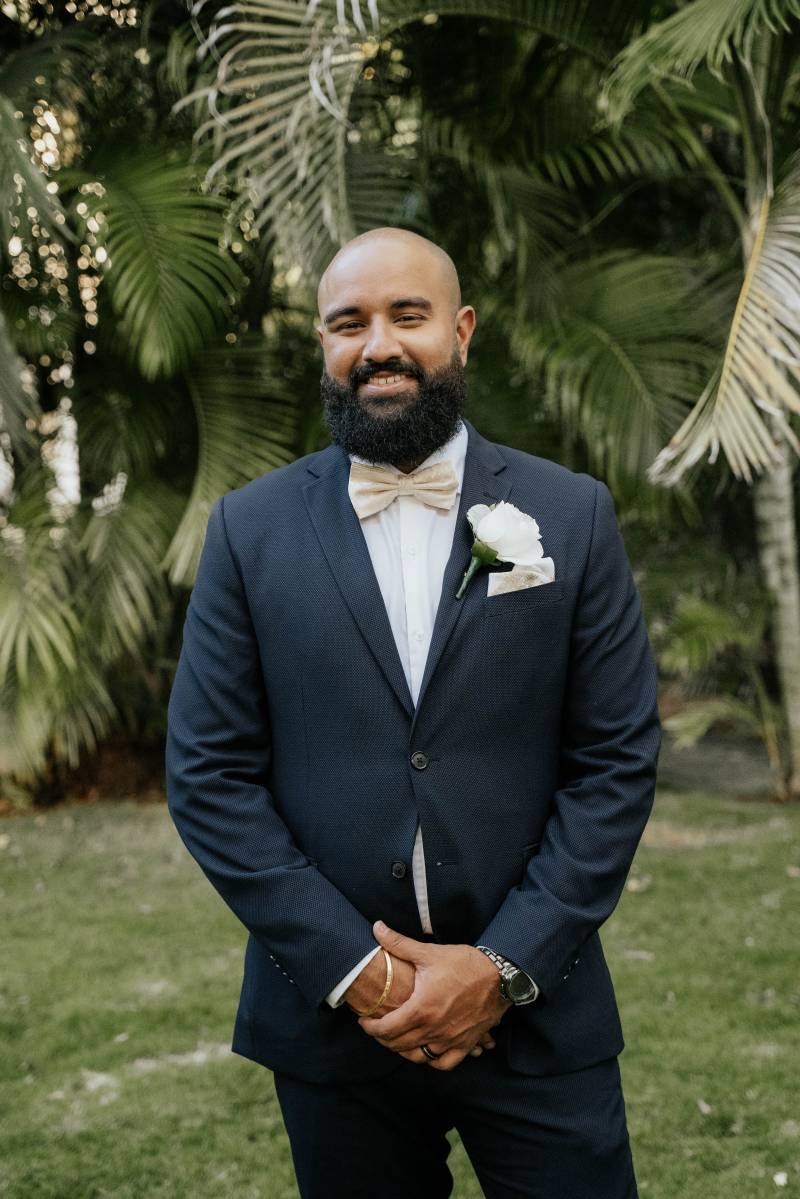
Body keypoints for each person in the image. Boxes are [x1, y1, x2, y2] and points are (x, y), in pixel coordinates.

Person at [165, 226, 661, 1198]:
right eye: (347, 322)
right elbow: (209, 774)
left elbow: (612, 758)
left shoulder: (569, 515)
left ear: (460, 330)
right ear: (321, 343)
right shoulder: (247, 530)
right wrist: (363, 972)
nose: (376, 343)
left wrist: (499, 965)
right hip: (333, 1022)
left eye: (407, 314)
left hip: (535, 1009)